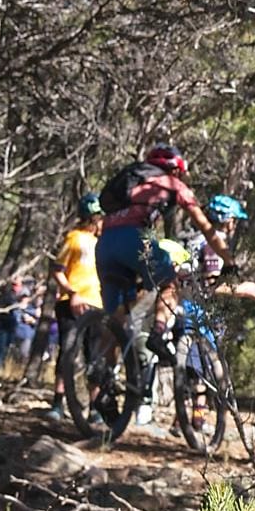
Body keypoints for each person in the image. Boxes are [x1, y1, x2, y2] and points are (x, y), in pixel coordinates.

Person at [93, 143, 227, 437]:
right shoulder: (172, 184)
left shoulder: (131, 180)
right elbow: (205, 228)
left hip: (105, 244)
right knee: (170, 282)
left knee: (116, 320)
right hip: (134, 241)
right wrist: (229, 260)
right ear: (177, 169)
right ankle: (157, 333)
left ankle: (105, 377)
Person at [50, 194, 105, 424]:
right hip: (71, 303)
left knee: (94, 355)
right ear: (93, 219)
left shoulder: (102, 244)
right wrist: (72, 293)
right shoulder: (74, 239)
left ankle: (95, 407)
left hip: (96, 304)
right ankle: (58, 402)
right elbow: (58, 269)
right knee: (68, 351)